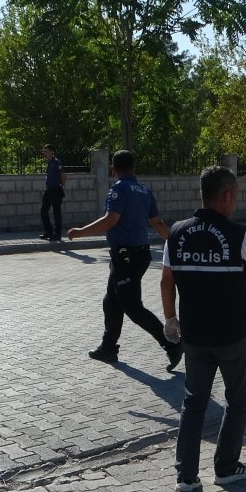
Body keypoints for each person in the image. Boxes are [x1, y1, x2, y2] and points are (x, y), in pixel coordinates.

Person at [160, 165, 246, 492]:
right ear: (227, 196)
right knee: (237, 402)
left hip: (195, 337)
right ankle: (227, 468)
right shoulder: (238, 235)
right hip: (231, 336)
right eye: (235, 197)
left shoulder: (176, 232)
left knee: (194, 403)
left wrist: (170, 319)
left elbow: (166, 279)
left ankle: (186, 477)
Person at [67, 150, 182, 371]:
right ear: (134, 167)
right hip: (137, 255)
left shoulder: (118, 189)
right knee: (111, 301)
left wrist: (80, 232)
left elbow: (111, 220)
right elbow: (157, 223)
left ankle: (172, 345)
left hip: (127, 256)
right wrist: (176, 243)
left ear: (113, 168)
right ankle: (108, 347)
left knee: (133, 307)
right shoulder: (144, 190)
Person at [38, 144, 66, 242]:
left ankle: (57, 235)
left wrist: (62, 186)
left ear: (51, 152)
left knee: (56, 213)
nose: (44, 153)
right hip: (48, 190)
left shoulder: (57, 162)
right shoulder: (48, 163)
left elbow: (63, 175)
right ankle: (48, 232)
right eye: (44, 152)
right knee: (43, 211)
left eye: (46, 151)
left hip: (55, 189)